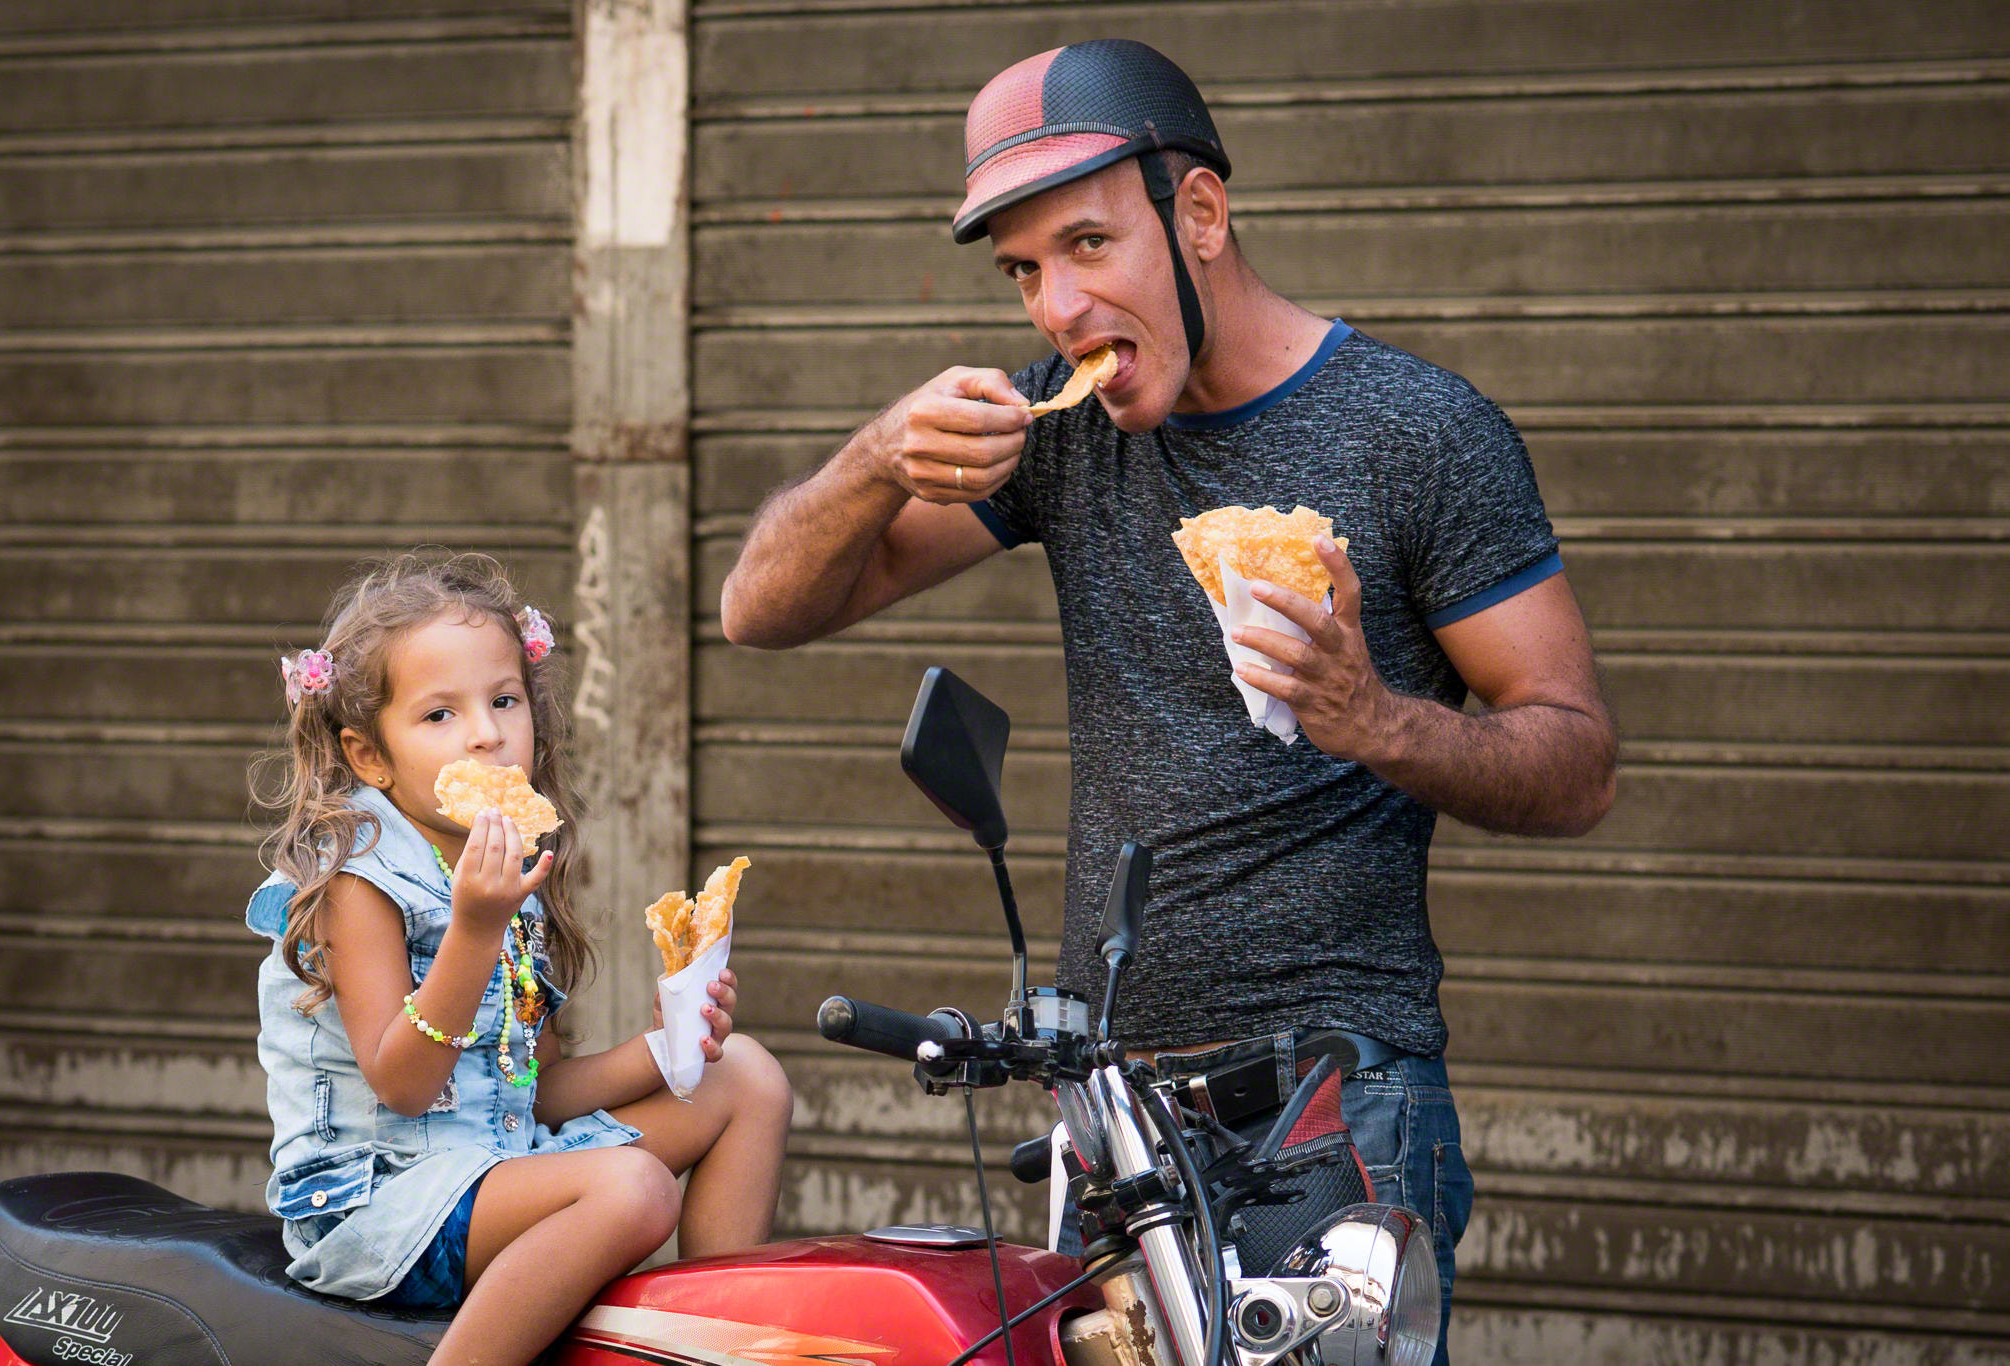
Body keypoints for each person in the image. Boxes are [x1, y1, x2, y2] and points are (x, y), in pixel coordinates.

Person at [721, 39, 1617, 1360]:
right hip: (1112, 1112)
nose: (1059, 306)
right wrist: (872, 459)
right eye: (1025, 270)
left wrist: (1370, 717)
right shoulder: (1060, 430)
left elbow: (1578, 756)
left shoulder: (1416, 433)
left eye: (1089, 244)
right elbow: (761, 607)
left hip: (1335, 1098)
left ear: (1200, 214)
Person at [248, 552, 793, 1366]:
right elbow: (403, 1082)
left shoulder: (509, 879)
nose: (487, 734)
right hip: (380, 1204)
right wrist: (473, 927)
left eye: (504, 700)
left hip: (503, 1165)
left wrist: (663, 1048)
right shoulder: (354, 879)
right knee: (632, 1186)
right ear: (369, 755)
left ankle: (707, 1345)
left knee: (747, 1076)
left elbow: (536, 1095)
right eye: (440, 716)